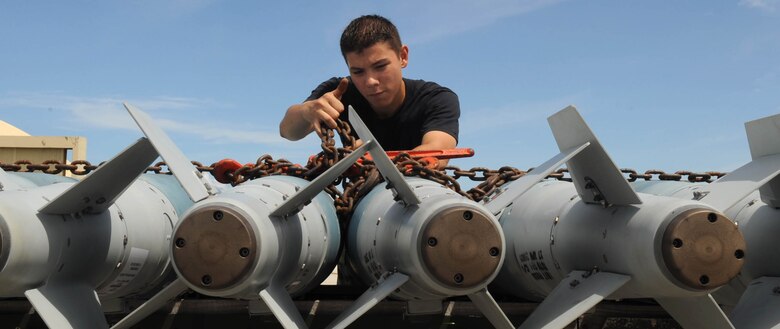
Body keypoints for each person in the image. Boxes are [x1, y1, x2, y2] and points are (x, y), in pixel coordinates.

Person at [279, 14, 460, 167]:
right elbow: (288, 132)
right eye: (358, 72)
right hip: (362, 198)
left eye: (380, 66)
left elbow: (437, 151)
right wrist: (307, 111)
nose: (371, 81)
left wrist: (369, 157)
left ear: (403, 56)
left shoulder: (437, 99)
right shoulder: (337, 93)